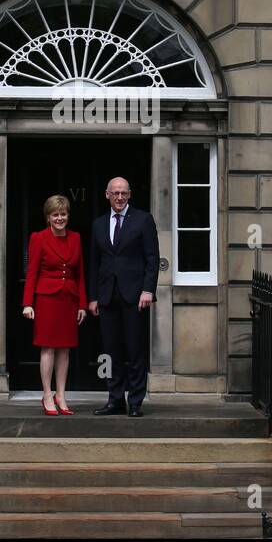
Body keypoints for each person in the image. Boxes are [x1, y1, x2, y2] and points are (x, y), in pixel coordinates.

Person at [87, 177, 160, 417]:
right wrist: (93, 297)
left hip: (135, 296)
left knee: (135, 350)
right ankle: (115, 399)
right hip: (107, 297)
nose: (120, 197)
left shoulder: (143, 220)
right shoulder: (98, 224)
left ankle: (136, 402)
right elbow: (94, 263)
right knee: (110, 351)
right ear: (107, 194)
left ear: (129, 195)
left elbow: (152, 259)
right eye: (115, 193)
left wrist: (148, 290)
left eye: (124, 193)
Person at [22, 194, 87, 416]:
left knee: (65, 349)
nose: (60, 218)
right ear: (48, 217)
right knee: (47, 347)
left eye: (63, 214)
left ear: (68, 216)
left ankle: (61, 394)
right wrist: (27, 303)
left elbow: (80, 275)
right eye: (55, 215)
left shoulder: (76, 238)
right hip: (47, 299)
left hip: (69, 299)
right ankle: (47, 394)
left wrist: (82, 305)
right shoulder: (38, 238)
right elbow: (31, 273)